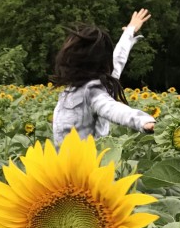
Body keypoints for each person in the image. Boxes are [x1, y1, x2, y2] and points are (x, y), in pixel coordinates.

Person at [51, 9, 156, 149]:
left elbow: (112, 109)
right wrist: (129, 31)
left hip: (88, 161)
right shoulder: (74, 87)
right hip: (63, 160)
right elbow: (118, 59)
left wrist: (142, 120)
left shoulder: (92, 90)